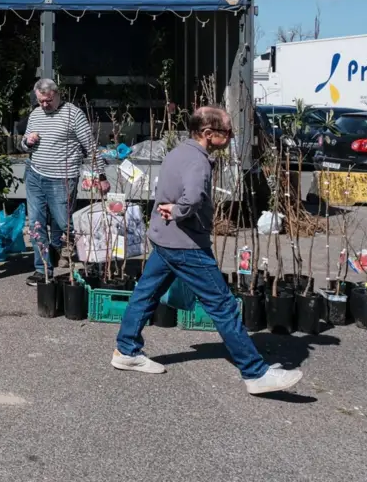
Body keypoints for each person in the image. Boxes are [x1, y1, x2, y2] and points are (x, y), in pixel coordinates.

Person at [111, 106, 303, 395]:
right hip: (186, 245)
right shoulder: (198, 162)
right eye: (227, 132)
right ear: (208, 133)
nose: (230, 138)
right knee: (223, 305)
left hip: (165, 239)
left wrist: (173, 210)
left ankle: (126, 350)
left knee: (146, 293)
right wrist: (178, 210)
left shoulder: (178, 151)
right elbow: (192, 198)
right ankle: (255, 373)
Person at [21, 78, 108, 286]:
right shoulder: (35, 114)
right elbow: (25, 145)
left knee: (65, 224)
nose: (44, 105)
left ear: (57, 95)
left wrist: (101, 176)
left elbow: (90, 146)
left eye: (48, 101)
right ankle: (42, 270)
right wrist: (27, 142)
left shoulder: (73, 114)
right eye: (40, 101)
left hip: (62, 178)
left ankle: (92, 262)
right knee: (36, 223)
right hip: (35, 175)